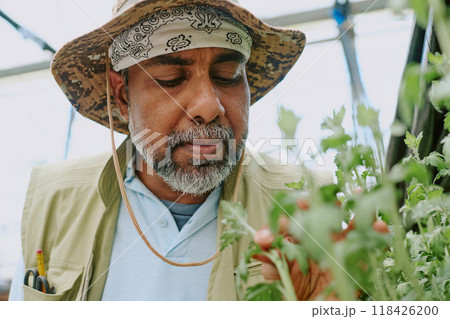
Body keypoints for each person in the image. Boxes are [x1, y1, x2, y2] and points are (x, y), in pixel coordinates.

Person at [9, 0, 332, 301]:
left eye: (228, 76)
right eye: (171, 78)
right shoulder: (52, 201)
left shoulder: (313, 204)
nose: (208, 106)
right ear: (122, 97)